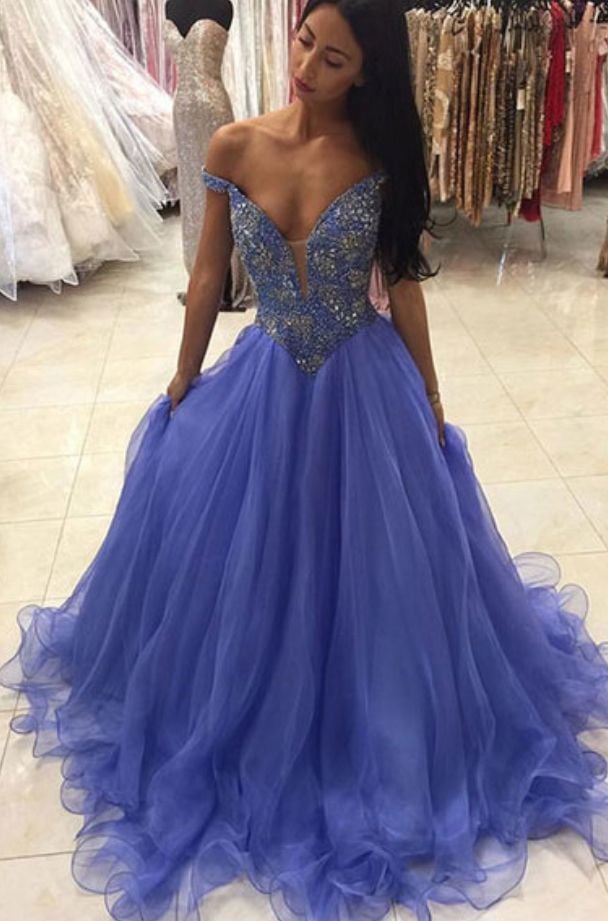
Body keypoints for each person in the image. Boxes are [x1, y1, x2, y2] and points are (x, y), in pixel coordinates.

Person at [2, 2, 608, 921]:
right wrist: (183, 378)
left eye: (333, 59)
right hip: (263, 382)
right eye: (303, 42)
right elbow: (208, 276)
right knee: (245, 561)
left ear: (365, 72)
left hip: (365, 388)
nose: (307, 65)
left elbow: (403, 286)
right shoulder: (233, 145)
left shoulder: (379, 159)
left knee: (373, 573)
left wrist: (432, 393)